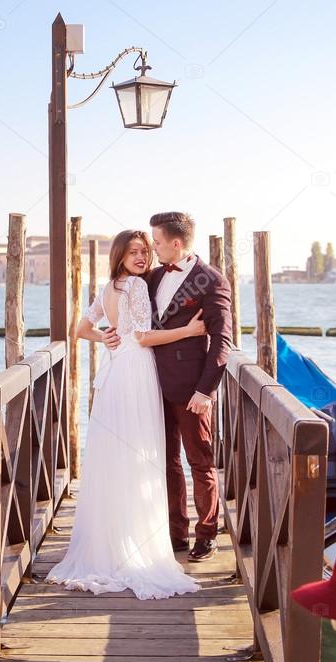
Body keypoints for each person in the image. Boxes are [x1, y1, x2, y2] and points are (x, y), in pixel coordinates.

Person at [46, 229, 204, 599]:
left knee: (117, 457)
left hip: (115, 372)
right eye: (134, 252)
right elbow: (145, 337)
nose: (141, 257)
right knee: (140, 458)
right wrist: (189, 329)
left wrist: (104, 338)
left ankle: (111, 543)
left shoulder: (108, 287)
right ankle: (133, 548)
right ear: (119, 255)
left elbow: (80, 329)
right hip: (135, 372)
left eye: (145, 251)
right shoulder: (135, 286)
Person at [101, 212, 234, 562]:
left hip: (191, 389)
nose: (152, 248)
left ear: (176, 243)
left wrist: (206, 391)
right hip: (148, 384)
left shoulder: (211, 281)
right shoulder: (153, 277)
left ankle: (207, 534)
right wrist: (107, 334)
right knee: (166, 462)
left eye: (156, 242)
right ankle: (175, 533)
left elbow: (223, 341)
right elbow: (128, 318)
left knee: (200, 461)